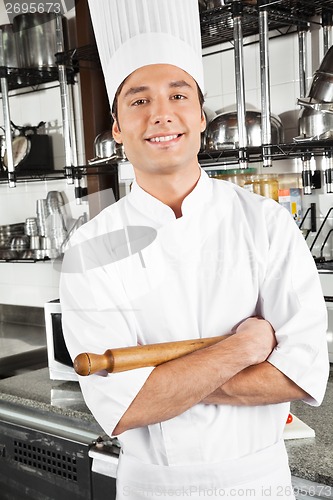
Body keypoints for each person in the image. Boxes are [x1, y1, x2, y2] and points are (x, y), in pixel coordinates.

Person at [60, 1, 329, 498]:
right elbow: (124, 407)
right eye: (138, 101)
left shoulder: (266, 222)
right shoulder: (90, 247)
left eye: (177, 95)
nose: (161, 114)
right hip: (152, 487)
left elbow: (301, 374)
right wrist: (245, 348)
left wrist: (162, 382)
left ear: (201, 117)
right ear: (118, 129)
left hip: (259, 483)